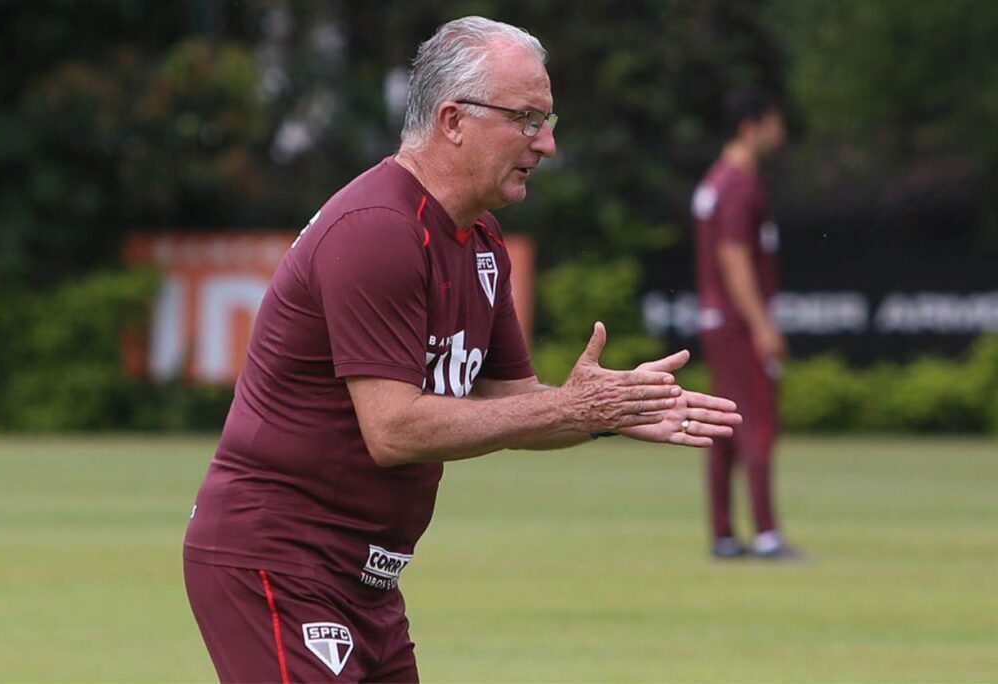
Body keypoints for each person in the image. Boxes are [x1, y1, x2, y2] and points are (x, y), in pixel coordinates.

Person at [184, 16, 742, 682]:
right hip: (279, 562)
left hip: (365, 580)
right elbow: (392, 429)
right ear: (453, 120)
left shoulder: (480, 240)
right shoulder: (378, 231)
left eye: (548, 119)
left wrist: (608, 412)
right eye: (528, 119)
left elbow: (513, 401)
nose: (549, 144)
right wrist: (574, 410)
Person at [690, 89, 799, 560]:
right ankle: (767, 533)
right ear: (749, 127)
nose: (781, 133)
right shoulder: (739, 184)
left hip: (719, 319)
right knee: (756, 422)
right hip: (737, 320)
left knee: (725, 426)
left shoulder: (717, 179)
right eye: (774, 123)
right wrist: (762, 325)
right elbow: (734, 259)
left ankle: (724, 533)